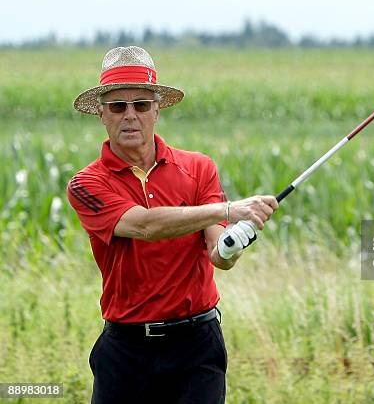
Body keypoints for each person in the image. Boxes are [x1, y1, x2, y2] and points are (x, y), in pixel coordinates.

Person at [67, 46, 278, 404]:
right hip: (125, 351)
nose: (130, 116)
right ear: (102, 114)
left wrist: (234, 241)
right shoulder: (86, 184)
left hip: (196, 346)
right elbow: (144, 226)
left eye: (141, 105)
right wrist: (227, 209)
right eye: (118, 106)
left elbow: (218, 256)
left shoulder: (198, 168)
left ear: (157, 110)